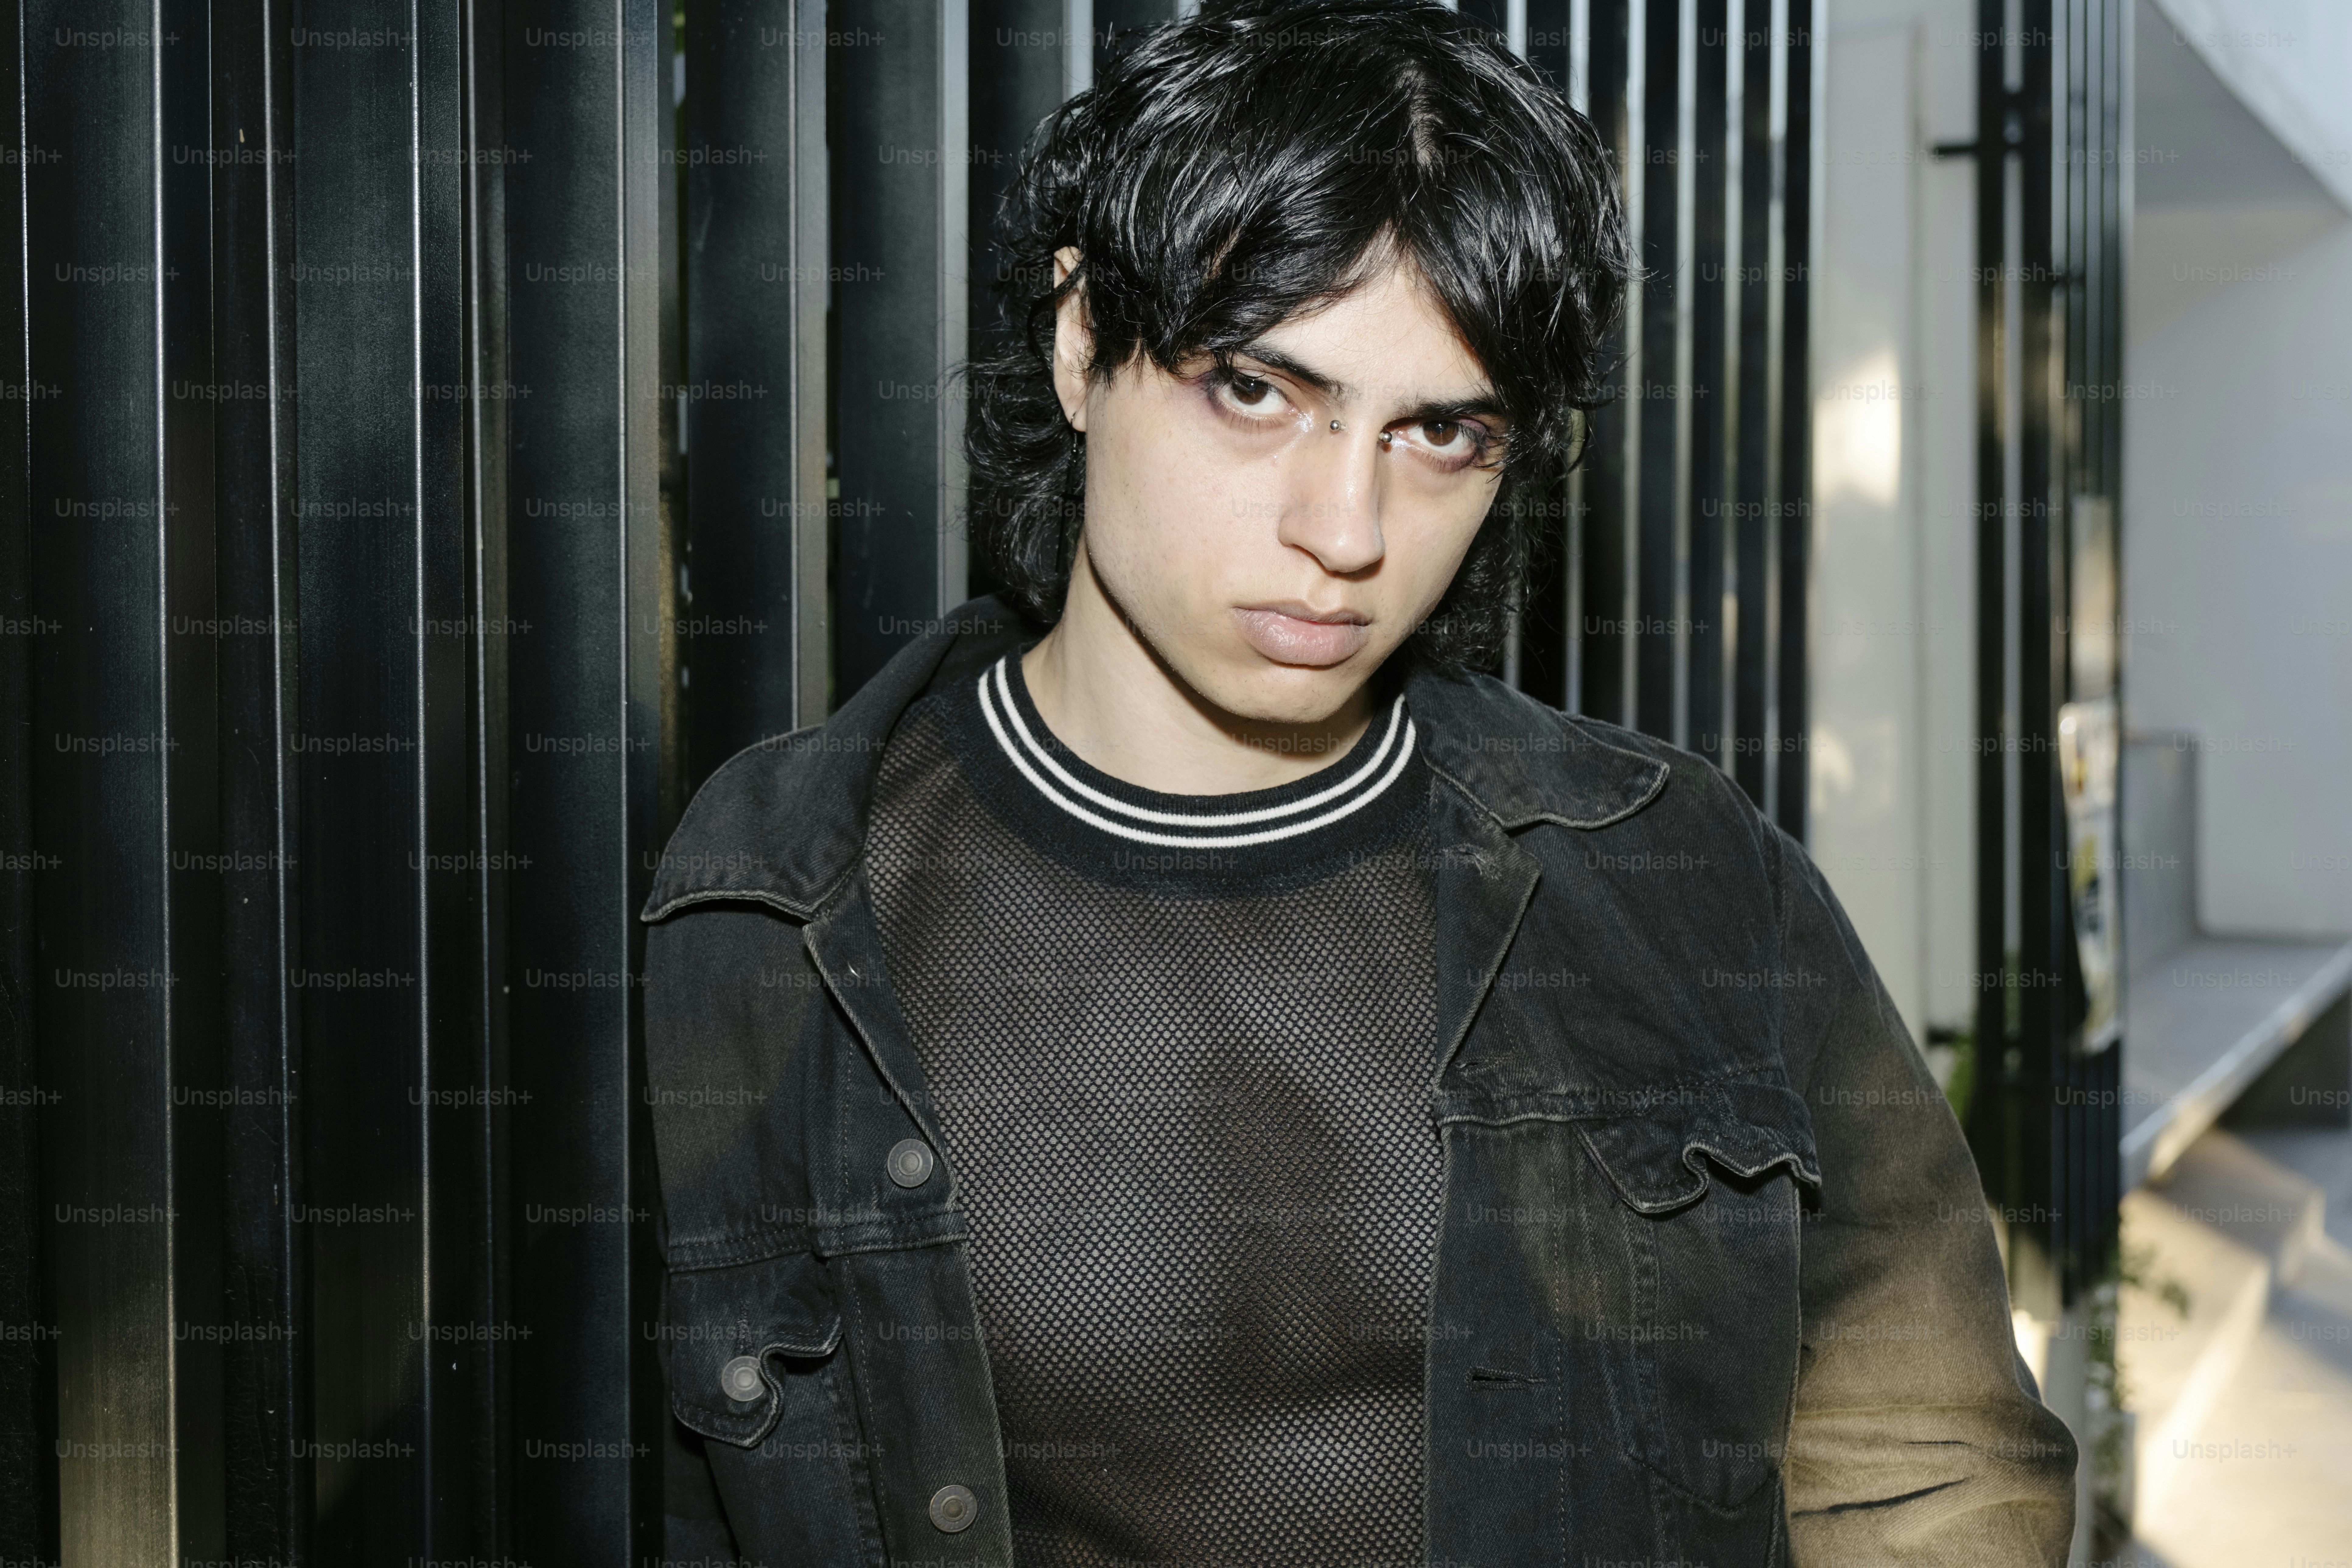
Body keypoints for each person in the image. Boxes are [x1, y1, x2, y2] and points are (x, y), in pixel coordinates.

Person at [641, 0, 2077, 1561]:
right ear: (1078, 341)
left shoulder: (1680, 868)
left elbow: (1926, 1460)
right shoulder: (773, 905)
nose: (1347, 527)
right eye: (1258, 391)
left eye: (1441, 432)